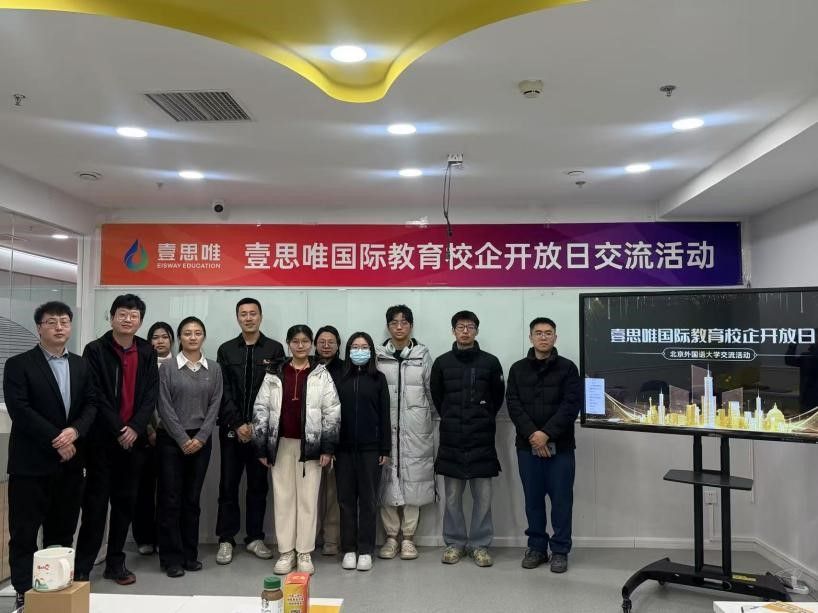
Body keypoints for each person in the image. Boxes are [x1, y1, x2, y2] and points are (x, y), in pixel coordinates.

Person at [3, 302, 96, 611]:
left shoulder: (81, 365)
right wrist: (58, 439)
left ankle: (56, 587)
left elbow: (91, 404)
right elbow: (20, 409)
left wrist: (75, 431)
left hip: (71, 464)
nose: (59, 327)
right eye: (51, 322)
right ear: (39, 327)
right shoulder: (18, 364)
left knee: (63, 530)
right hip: (31, 464)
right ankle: (24, 591)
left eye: (64, 321)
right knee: (24, 532)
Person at [75, 294, 159, 585]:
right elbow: (94, 393)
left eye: (134, 316)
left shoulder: (147, 351)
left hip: (134, 443)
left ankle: (115, 563)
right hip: (101, 441)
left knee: (125, 506)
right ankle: (83, 567)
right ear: (111, 317)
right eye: (122, 314)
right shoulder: (95, 350)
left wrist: (135, 428)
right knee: (95, 507)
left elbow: (151, 394)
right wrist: (120, 429)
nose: (127, 319)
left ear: (140, 321)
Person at [252, 324, 340, 576]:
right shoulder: (274, 373)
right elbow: (260, 410)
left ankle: (304, 552)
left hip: (310, 446)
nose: (300, 346)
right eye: (295, 341)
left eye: (305, 341)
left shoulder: (321, 374)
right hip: (280, 444)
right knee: (283, 499)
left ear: (311, 344)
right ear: (288, 344)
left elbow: (332, 412)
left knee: (308, 499)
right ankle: (286, 551)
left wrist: (327, 448)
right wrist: (262, 447)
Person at [430, 310, 504, 568]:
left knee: (483, 498)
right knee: (452, 497)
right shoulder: (442, 363)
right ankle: (455, 543)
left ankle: (480, 545)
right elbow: (438, 397)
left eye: (470, 327)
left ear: (476, 331)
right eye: (460, 327)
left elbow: (497, 398)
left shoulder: (491, 362)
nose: (465, 331)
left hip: (482, 439)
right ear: (453, 331)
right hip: (452, 440)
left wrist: (481, 416)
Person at [506, 317, 581, 574]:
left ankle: (560, 550)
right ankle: (536, 548)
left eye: (548, 333)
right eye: (538, 333)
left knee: (561, 501)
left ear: (555, 337)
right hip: (527, 447)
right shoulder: (517, 369)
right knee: (533, 500)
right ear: (531, 338)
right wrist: (534, 435)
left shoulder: (568, 368)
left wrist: (546, 434)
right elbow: (513, 404)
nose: (543, 337)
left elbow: (571, 405)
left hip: (561, 447)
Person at [215, 298, 284, 565]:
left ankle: (255, 537)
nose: (248, 318)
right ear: (237, 318)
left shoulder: (274, 349)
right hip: (231, 430)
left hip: (261, 431)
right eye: (243, 314)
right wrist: (237, 423)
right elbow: (223, 392)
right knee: (228, 486)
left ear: (260, 316)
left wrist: (256, 424)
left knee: (258, 486)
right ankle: (226, 539)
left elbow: (275, 391)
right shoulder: (226, 350)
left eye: (253, 313)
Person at [157, 317, 223, 577]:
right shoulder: (168, 368)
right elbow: (163, 405)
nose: (192, 337)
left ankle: (189, 555)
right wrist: (182, 439)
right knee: (170, 499)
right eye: (187, 333)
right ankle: (171, 558)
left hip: (201, 440)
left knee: (192, 500)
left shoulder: (214, 369)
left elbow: (215, 403)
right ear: (179, 338)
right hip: (171, 440)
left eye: (197, 333)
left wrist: (202, 436)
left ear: (203, 337)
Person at [374, 305, 435, 562]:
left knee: (413, 480)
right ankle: (390, 537)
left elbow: (431, 392)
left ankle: (408, 538)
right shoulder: (377, 356)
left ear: (411, 326)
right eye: (394, 322)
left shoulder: (422, 355)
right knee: (386, 478)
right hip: (385, 428)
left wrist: (424, 419)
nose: (399, 327)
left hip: (415, 429)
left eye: (404, 322)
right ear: (388, 326)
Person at [334, 332, 391, 572]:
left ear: (371, 351)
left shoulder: (378, 379)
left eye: (364, 346)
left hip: (371, 450)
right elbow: (331, 414)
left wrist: (385, 447)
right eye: (355, 347)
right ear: (348, 351)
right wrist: (331, 446)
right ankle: (349, 549)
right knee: (345, 500)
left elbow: (385, 415)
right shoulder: (339, 378)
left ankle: (366, 549)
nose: (360, 350)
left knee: (368, 500)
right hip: (343, 450)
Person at [132, 321, 175, 556]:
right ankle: (144, 537)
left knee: (169, 491)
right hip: (144, 435)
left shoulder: (179, 365)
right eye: (155, 337)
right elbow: (138, 402)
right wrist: (148, 429)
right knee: (144, 489)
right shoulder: (142, 365)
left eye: (164, 337)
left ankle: (164, 538)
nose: (160, 341)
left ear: (172, 340)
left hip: (172, 437)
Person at [314, 325, 344, 556]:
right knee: (312, 493)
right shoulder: (307, 367)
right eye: (322, 342)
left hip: (337, 439)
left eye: (331, 342)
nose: (326, 346)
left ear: (338, 345)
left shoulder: (346, 369)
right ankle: (310, 538)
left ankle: (332, 540)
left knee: (333, 494)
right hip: (311, 439)